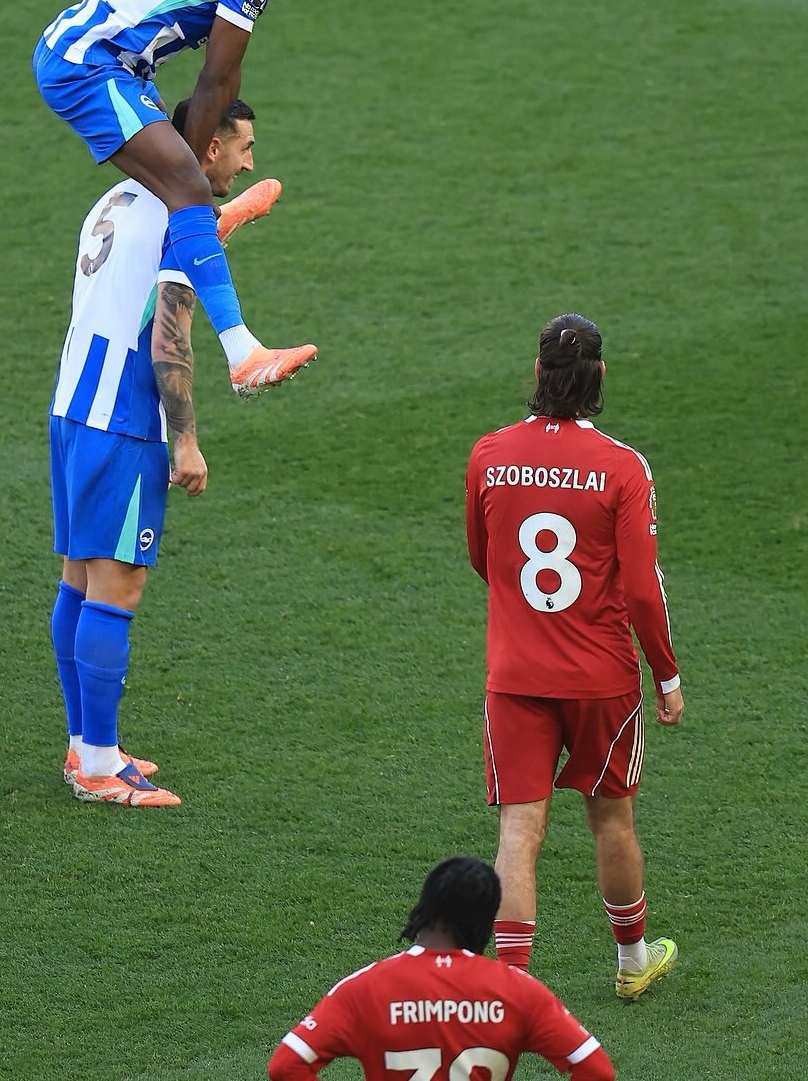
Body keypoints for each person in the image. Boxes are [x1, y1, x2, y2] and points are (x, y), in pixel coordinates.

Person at [50, 100, 280, 807]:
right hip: (122, 419)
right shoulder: (179, 219)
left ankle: (88, 745)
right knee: (116, 587)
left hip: (71, 403)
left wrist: (211, 229)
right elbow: (168, 340)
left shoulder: (118, 194)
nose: (247, 164)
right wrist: (185, 439)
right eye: (241, 148)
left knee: (80, 580)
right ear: (206, 148)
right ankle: (96, 764)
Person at [32, 0, 322, 397]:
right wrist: (192, 172)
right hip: (89, 66)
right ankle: (242, 354)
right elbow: (214, 79)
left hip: (110, 63)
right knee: (184, 186)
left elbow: (226, 77)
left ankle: (204, 225)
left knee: (180, 186)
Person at [465, 314, 684, 1000]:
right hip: (602, 679)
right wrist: (667, 674)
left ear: (537, 373)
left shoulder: (490, 455)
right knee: (612, 817)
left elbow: (485, 559)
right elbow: (644, 591)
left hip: (516, 676)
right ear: (601, 378)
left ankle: (510, 990)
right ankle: (632, 962)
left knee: (518, 830)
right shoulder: (623, 467)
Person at [268, 856, 615, 1079]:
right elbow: (596, 1070)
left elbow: (287, 1065)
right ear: (485, 922)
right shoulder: (518, 991)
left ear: (424, 908)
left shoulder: (366, 988)